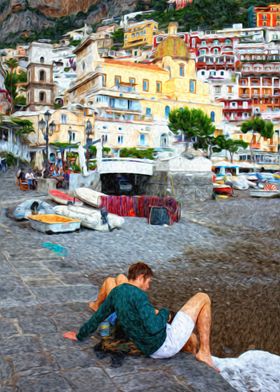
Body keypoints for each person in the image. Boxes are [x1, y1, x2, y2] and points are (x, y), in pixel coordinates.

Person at [64, 262, 216, 369]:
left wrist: (79, 335)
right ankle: (204, 353)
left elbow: (98, 317)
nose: (148, 286)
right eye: (148, 281)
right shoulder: (140, 296)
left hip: (148, 346)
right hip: (164, 345)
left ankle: (202, 351)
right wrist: (165, 313)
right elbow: (153, 327)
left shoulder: (117, 292)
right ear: (141, 277)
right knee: (203, 297)